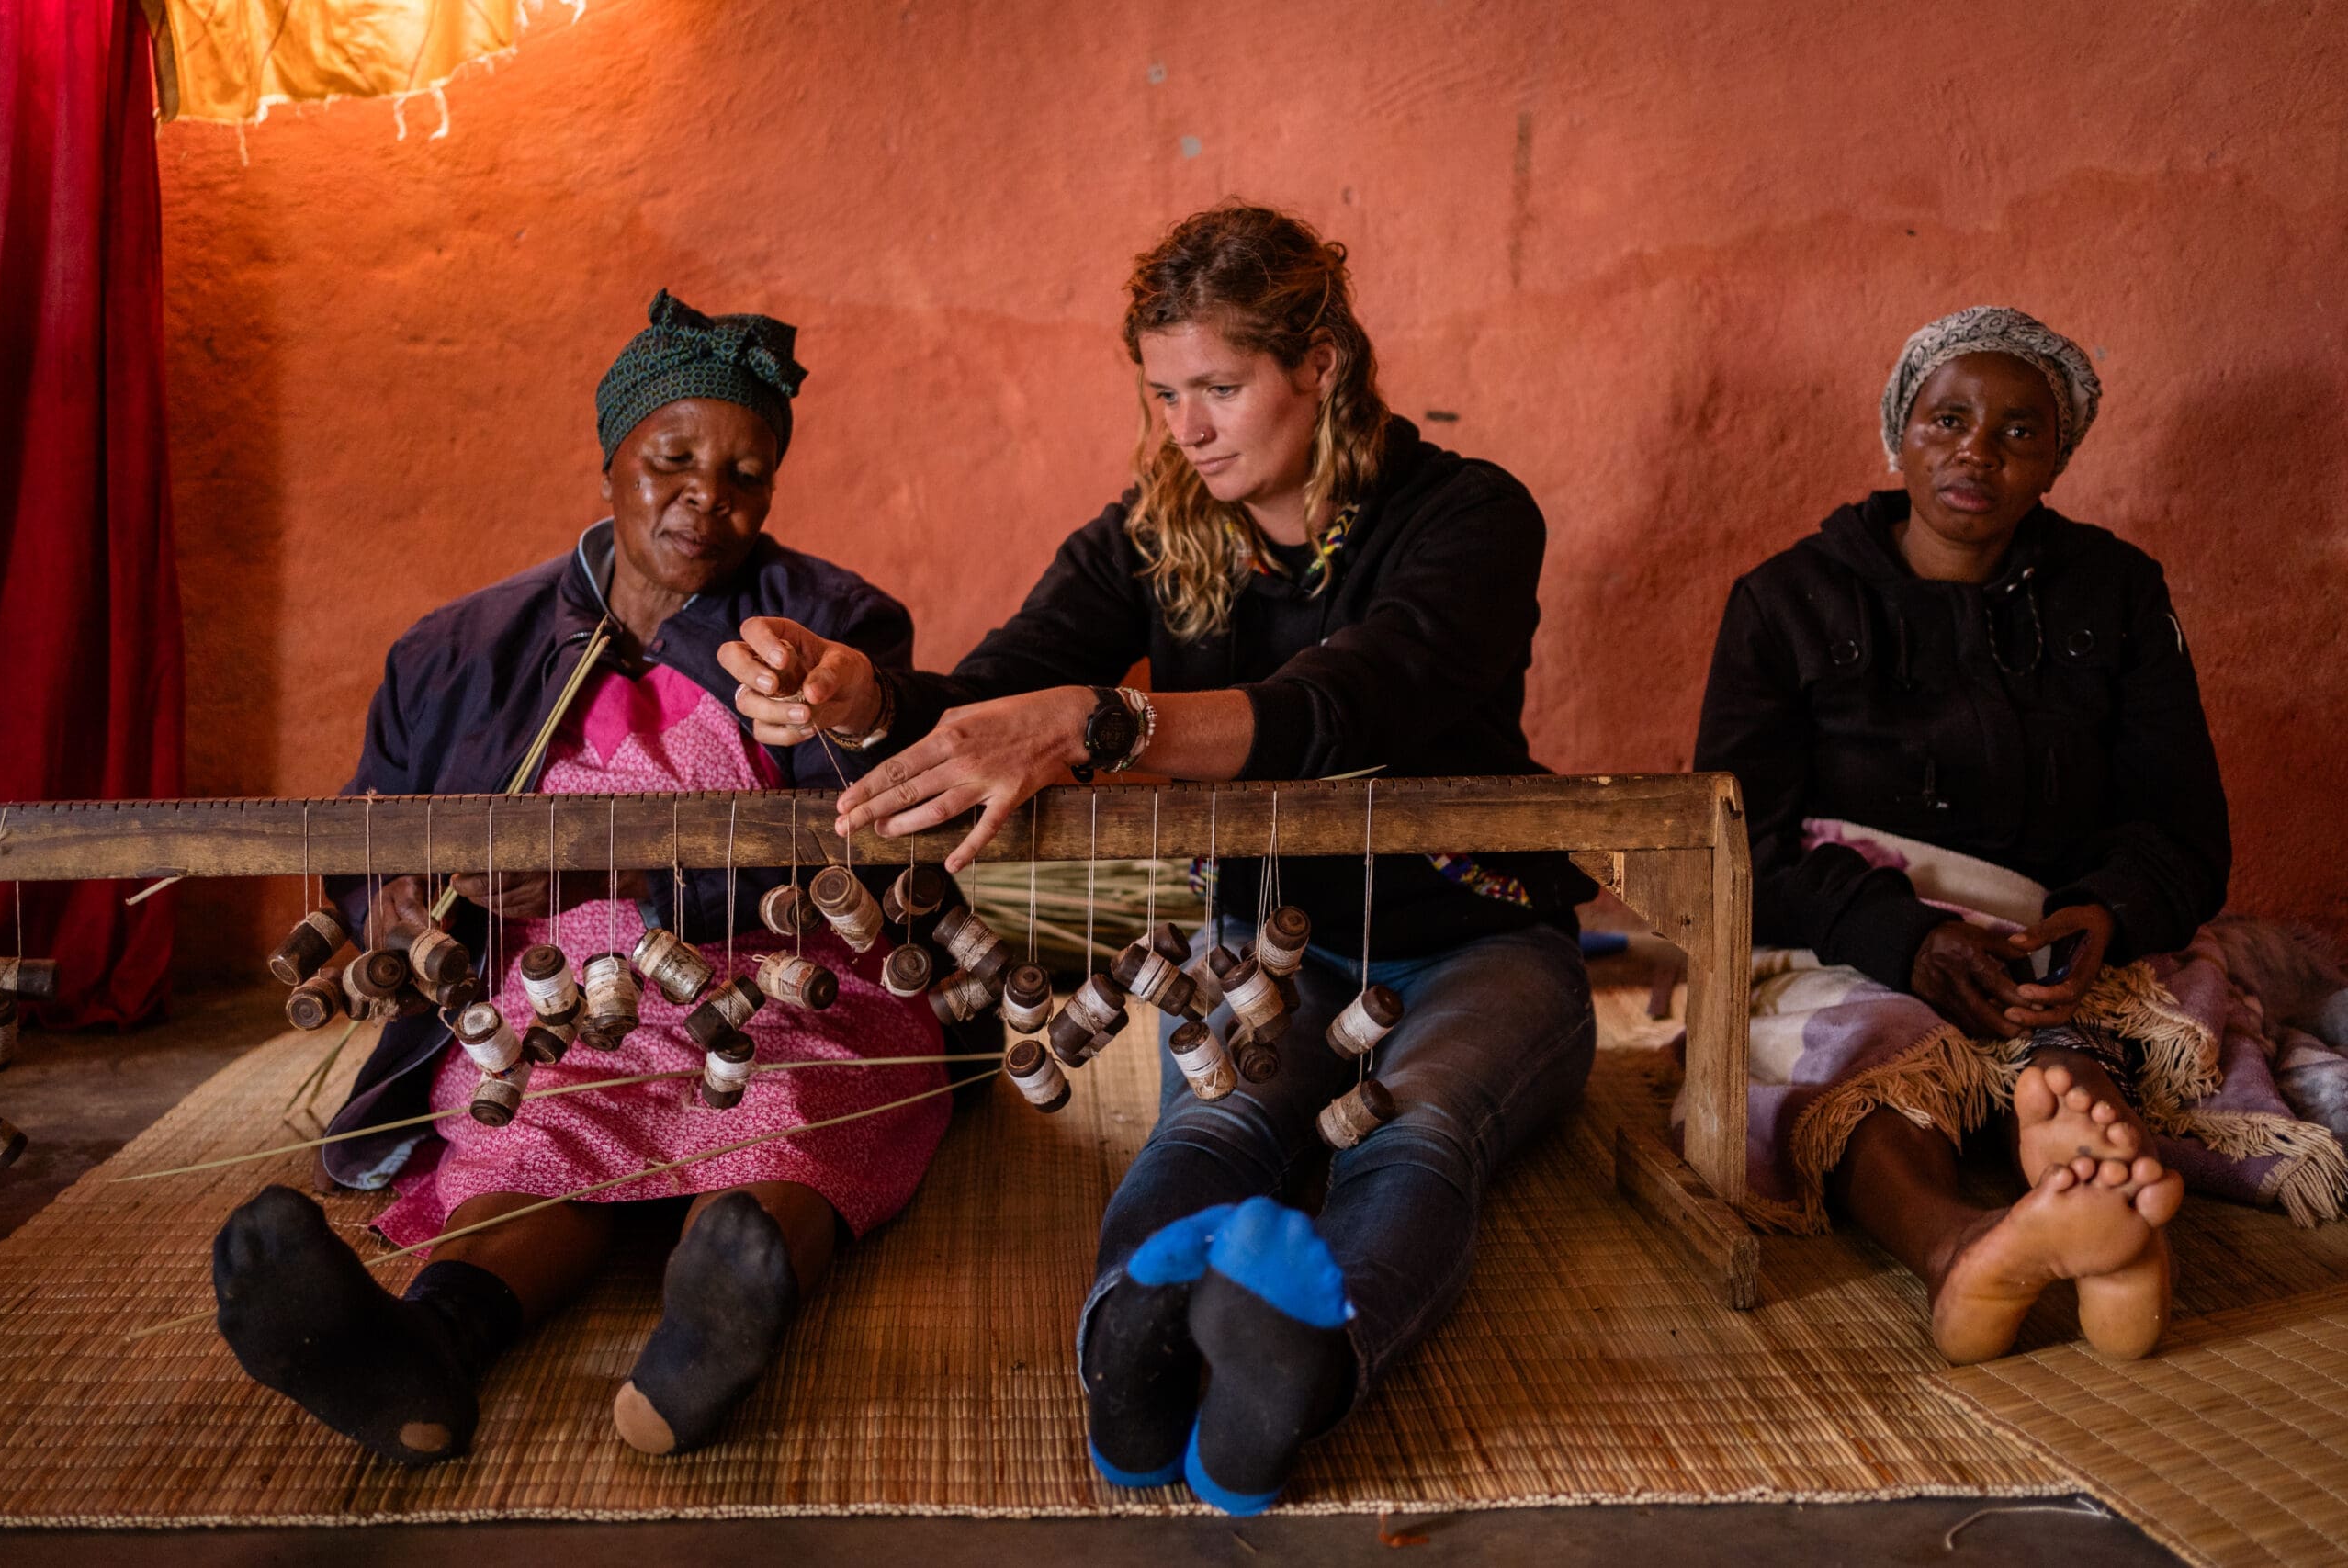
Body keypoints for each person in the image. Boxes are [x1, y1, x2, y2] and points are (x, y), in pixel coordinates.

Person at [717, 204, 1598, 1514]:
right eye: (1165, 391)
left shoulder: (1469, 516)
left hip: (1474, 930)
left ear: (1324, 368)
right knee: (1222, 1112)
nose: (1186, 427)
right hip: (1264, 937)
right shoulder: (1153, 532)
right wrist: (860, 702)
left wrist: (1101, 718)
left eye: (1221, 388)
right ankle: (1130, 1354)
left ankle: (1288, 1368)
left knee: (1418, 1124)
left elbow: (1347, 699)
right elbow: (999, 687)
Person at [209, 291, 954, 1464]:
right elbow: (374, 838)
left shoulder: (832, 626)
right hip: (555, 992)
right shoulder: (458, 648)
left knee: (786, 1111)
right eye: (672, 460)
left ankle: (719, 1308)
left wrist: (628, 865)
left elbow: (873, 833)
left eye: (746, 475)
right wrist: (399, 905)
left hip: (783, 981)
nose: (708, 497)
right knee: (531, 1123)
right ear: (610, 455)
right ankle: (422, 1352)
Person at [1691, 304, 2273, 1364]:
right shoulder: (1783, 602)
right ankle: (1964, 1245)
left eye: (2019, 431)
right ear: (1897, 436)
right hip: (1839, 936)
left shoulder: (2118, 592)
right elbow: (1735, 848)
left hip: (2042, 942)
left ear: (2057, 459)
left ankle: (2077, 1172)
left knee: (2066, 1042)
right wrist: (1907, 940)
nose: (1976, 450)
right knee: (1862, 1069)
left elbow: (2182, 828)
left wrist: (2100, 915)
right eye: (1946, 419)